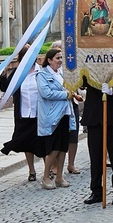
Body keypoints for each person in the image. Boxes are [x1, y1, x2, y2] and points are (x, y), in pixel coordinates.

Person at [36, 48, 81, 189]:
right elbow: (46, 93)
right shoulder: (42, 75)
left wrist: (73, 94)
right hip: (52, 116)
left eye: (61, 58)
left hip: (65, 114)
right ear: (49, 60)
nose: (60, 61)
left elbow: (69, 89)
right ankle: (45, 176)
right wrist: (66, 94)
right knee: (54, 148)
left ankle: (60, 177)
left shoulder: (62, 74)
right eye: (57, 58)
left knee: (62, 148)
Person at [0, 45, 45, 181]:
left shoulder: (41, 71)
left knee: (42, 141)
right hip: (23, 112)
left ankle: (47, 169)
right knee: (26, 142)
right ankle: (31, 170)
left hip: (39, 113)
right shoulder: (18, 72)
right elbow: (6, 88)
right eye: (25, 55)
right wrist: (3, 75)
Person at [82, 78, 113, 205]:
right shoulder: (89, 60)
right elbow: (81, 81)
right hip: (94, 116)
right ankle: (96, 191)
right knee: (95, 158)